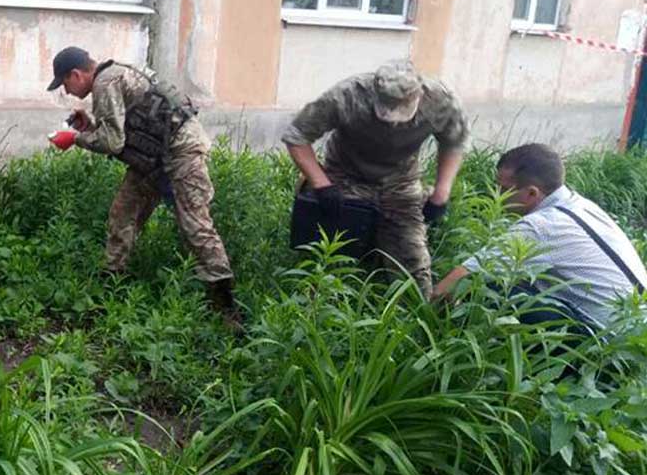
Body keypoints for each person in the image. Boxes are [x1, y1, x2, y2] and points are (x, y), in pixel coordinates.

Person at [44, 46, 239, 325]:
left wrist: (74, 139)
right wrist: (89, 127)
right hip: (153, 157)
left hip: (181, 153)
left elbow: (113, 143)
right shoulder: (114, 74)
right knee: (122, 215)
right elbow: (123, 129)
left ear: (76, 74)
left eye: (65, 85)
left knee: (196, 226)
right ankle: (111, 289)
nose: (68, 92)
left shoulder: (105, 82)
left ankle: (227, 310)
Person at [282, 60, 470, 296]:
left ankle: (414, 318)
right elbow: (297, 135)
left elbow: (454, 142)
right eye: (386, 112)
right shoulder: (347, 95)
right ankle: (317, 305)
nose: (391, 121)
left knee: (412, 262)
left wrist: (441, 193)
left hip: (400, 182)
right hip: (345, 174)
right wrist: (321, 184)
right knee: (327, 255)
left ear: (418, 96)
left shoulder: (440, 101)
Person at [432, 143, 647, 331]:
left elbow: (451, 285)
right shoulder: (582, 205)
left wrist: (421, 318)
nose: (495, 195)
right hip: (637, 332)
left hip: (612, 350)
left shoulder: (542, 226)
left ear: (531, 194)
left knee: (489, 290)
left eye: (503, 189)